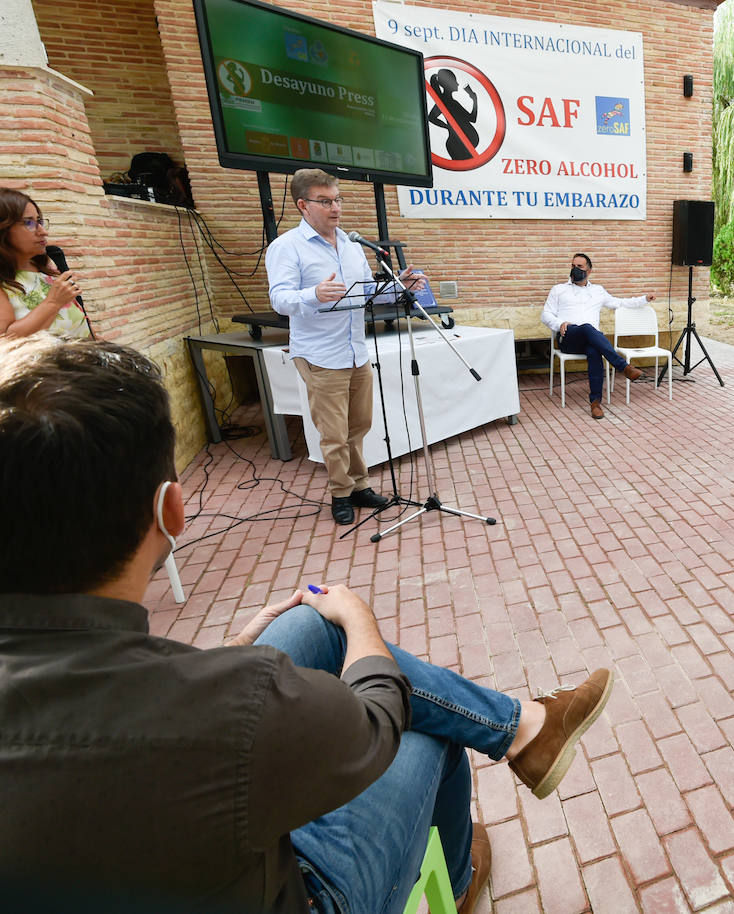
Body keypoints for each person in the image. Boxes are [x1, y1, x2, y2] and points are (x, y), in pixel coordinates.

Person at [0, 333, 615, 914]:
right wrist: (362, 622)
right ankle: (457, 874)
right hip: (303, 892)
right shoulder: (228, 704)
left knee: (311, 626)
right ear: (172, 510)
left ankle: (525, 729)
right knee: (424, 729)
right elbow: (374, 723)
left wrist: (232, 647)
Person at [267, 169, 423, 525]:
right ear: (303, 205)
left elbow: (368, 293)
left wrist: (402, 287)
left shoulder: (352, 247)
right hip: (320, 354)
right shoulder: (287, 247)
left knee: (359, 425)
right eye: (325, 201)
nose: (335, 208)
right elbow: (279, 298)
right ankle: (340, 493)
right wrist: (313, 294)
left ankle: (360, 486)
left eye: (338, 199)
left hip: (356, 350)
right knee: (334, 433)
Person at [540, 252, 656, 420]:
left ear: (589, 271)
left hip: (590, 340)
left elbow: (620, 303)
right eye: (573, 266)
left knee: (595, 351)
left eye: (580, 266)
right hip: (568, 337)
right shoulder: (559, 289)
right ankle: (623, 367)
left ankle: (595, 403)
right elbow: (545, 315)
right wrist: (560, 323)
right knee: (587, 328)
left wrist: (644, 299)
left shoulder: (598, 291)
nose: (575, 269)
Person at [0, 188, 89, 339]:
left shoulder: (47, 265)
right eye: (29, 223)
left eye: (39, 221)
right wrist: (53, 302)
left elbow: (80, 322)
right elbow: (5, 340)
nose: (43, 231)